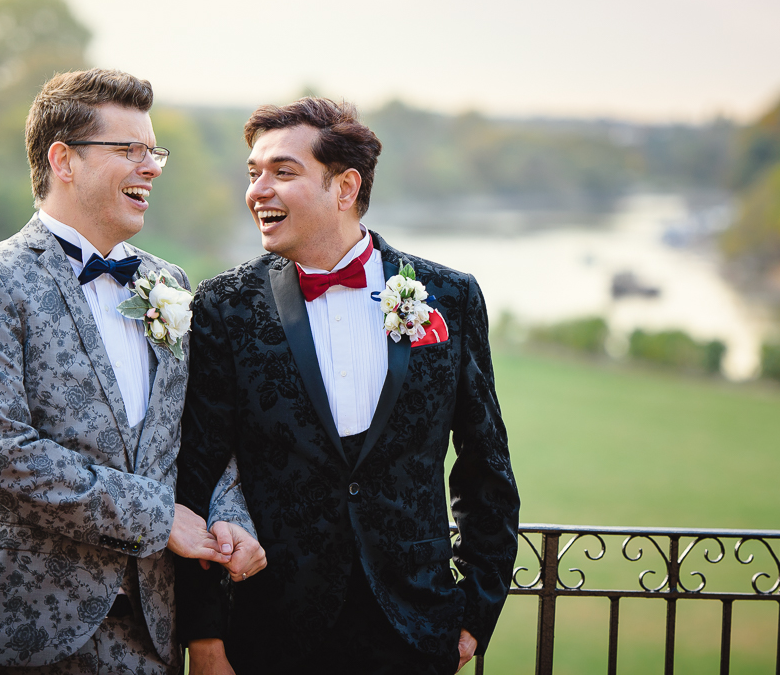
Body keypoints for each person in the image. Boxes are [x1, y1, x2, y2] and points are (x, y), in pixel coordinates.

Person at [0, 69, 264, 675]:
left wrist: (228, 516)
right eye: (128, 150)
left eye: (153, 150)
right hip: (16, 629)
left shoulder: (169, 285)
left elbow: (204, 435)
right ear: (64, 160)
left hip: (147, 639)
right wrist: (158, 518)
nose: (152, 166)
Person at [176, 97, 521, 674]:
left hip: (413, 632)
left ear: (344, 187)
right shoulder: (223, 307)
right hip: (268, 631)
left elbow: (487, 472)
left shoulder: (450, 298)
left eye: (283, 172)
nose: (258, 190)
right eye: (253, 173)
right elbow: (196, 473)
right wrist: (206, 640)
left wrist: (471, 618)